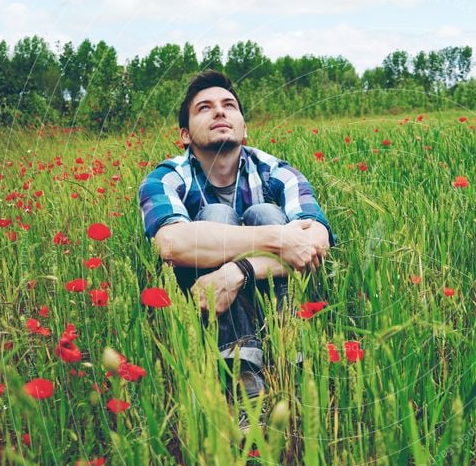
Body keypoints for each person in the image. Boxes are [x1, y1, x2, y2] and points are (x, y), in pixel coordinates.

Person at [138, 70, 334, 415]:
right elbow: (170, 243)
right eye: (204, 108)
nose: (219, 112)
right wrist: (277, 239)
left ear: (244, 128)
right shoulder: (165, 178)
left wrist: (239, 271)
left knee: (264, 212)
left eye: (229, 105)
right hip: (203, 302)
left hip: (257, 296)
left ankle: (292, 359)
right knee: (215, 215)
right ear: (184, 135)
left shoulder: (277, 171)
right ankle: (241, 378)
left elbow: (316, 241)